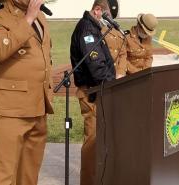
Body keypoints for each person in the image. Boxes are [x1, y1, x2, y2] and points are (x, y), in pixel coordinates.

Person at [0, 0, 53, 184]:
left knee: (29, 173)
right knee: (5, 175)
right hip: (9, 108)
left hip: (37, 106)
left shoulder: (41, 16)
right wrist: (28, 18)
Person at [70, 0, 116, 185]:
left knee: (99, 142)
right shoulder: (87, 30)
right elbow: (96, 66)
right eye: (107, 18)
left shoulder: (93, 27)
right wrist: (113, 85)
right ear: (98, 11)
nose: (108, 22)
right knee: (92, 144)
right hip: (92, 93)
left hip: (98, 91)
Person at [101, 0, 128, 79]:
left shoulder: (117, 30)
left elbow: (123, 54)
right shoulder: (97, 29)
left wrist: (121, 72)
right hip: (104, 76)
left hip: (117, 76)